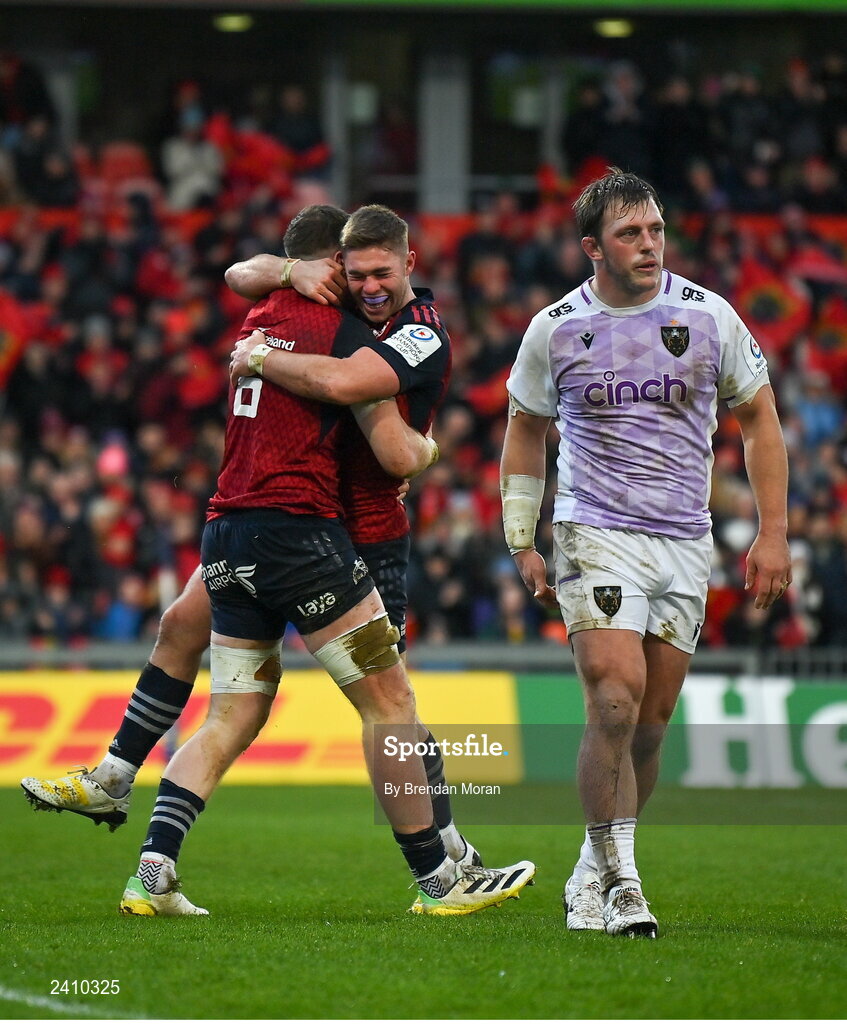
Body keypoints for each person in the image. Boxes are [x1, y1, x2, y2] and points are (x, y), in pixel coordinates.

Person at [23, 204, 535, 917]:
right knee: (391, 705)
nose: (368, 286)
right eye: (354, 274)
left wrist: (269, 323)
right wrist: (426, 450)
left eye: (379, 273)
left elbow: (242, 274)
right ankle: (439, 874)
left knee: (227, 697)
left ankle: (147, 859)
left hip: (231, 528)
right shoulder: (344, 330)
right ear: (331, 271)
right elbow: (386, 443)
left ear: (408, 264)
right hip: (316, 535)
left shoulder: (270, 319)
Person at [500, 168, 791, 938]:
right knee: (614, 697)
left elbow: (759, 420)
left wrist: (772, 531)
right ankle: (626, 881)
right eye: (630, 233)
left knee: (652, 724)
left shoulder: (708, 317)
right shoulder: (555, 328)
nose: (649, 244)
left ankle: (589, 869)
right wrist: (519, 538)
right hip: (593, 531)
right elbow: (524, 429)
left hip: (683, 542)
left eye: (656, 229)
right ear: (592, 247)